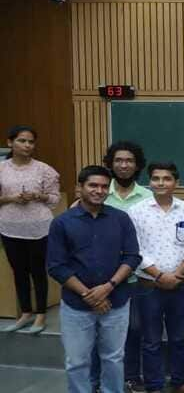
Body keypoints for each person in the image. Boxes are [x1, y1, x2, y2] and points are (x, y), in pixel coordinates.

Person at [46, 165, 142, 393]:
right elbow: (56, 266)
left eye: (103, 186)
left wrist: (108, 288)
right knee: (77, 362)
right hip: (76, 305)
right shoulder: (62, 223)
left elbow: (132, 256)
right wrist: (89, 295)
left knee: (114, 358)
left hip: (116, 301)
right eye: (92, 185)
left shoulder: (120, 218)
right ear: (79, 188)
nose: (99, 190)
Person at [128, 162, 184, 393]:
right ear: (149, 182)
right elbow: (135, 250)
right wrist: (160, 275)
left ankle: (181, 381)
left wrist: (178, 274)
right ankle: (154, 385)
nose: (161, 183)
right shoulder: (137, 210)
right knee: (150, 340)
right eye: (156, 178)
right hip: (148, 285)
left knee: (179, 337)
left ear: (176, 183)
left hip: (180, 285)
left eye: (167, 178)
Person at [92, 140, 152, 393]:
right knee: (98, 332)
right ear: (110, 163)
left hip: (136, 276)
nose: (124, 165)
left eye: (129, 160)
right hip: (102, 278)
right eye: (118, 160)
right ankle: (96, 380)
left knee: (135, 329)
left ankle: (131, 376)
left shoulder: (149, 197)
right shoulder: (100, 194)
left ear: (137, 165)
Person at [0, 125, 60, 334]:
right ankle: (25, 313)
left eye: (31, 142)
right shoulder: (1, 168)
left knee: (38, 272)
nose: (27, 145)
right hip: (9, 227)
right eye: (22, 141)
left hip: (39, 228)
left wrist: (38, 196)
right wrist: (10, 198)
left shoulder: (44, 169)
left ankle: (41, 315)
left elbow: (54, 199)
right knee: (19, 272)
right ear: (10, 143)